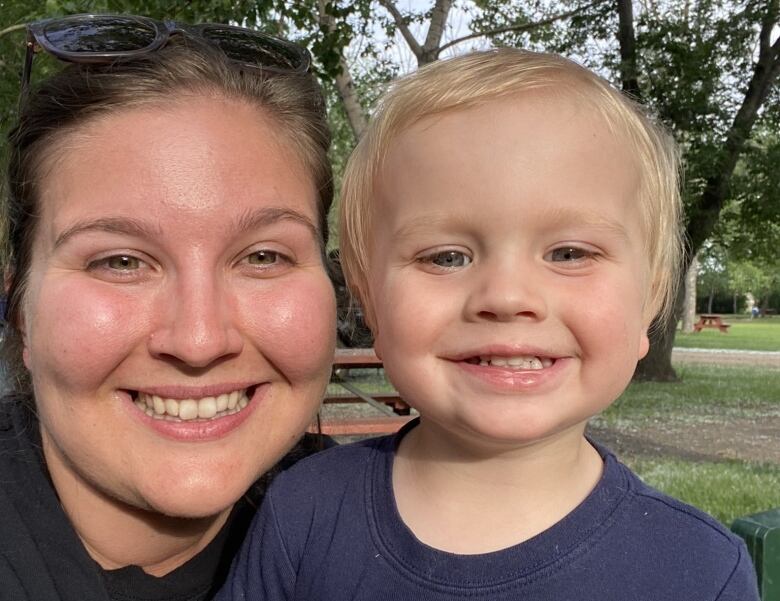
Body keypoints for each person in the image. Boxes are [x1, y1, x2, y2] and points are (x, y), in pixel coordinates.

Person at [220, 49, 760, 600]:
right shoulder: (304, 513)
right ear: (369, 302)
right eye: (446, 257)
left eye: (570, 253)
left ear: (652, 298)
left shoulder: (697, 570)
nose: (506, 297)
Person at [0, 14, 337, 601]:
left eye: (262, 256)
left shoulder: (391, 529)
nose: (199, 340)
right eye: (120, 262)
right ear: (22, 309)